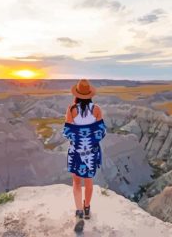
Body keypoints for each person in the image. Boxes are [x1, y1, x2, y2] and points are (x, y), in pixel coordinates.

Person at [63, 79, 107, 232]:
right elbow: (101, 132)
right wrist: (89, 139)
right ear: (90, 94)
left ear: (76, 94)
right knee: (88, 182)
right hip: (91, 152)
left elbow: (67, 132)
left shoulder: (71, 110)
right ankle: (87, 208)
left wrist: (79, 138)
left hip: (76, 151)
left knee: (76, 183)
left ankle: (79, 212)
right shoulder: (96, 109)